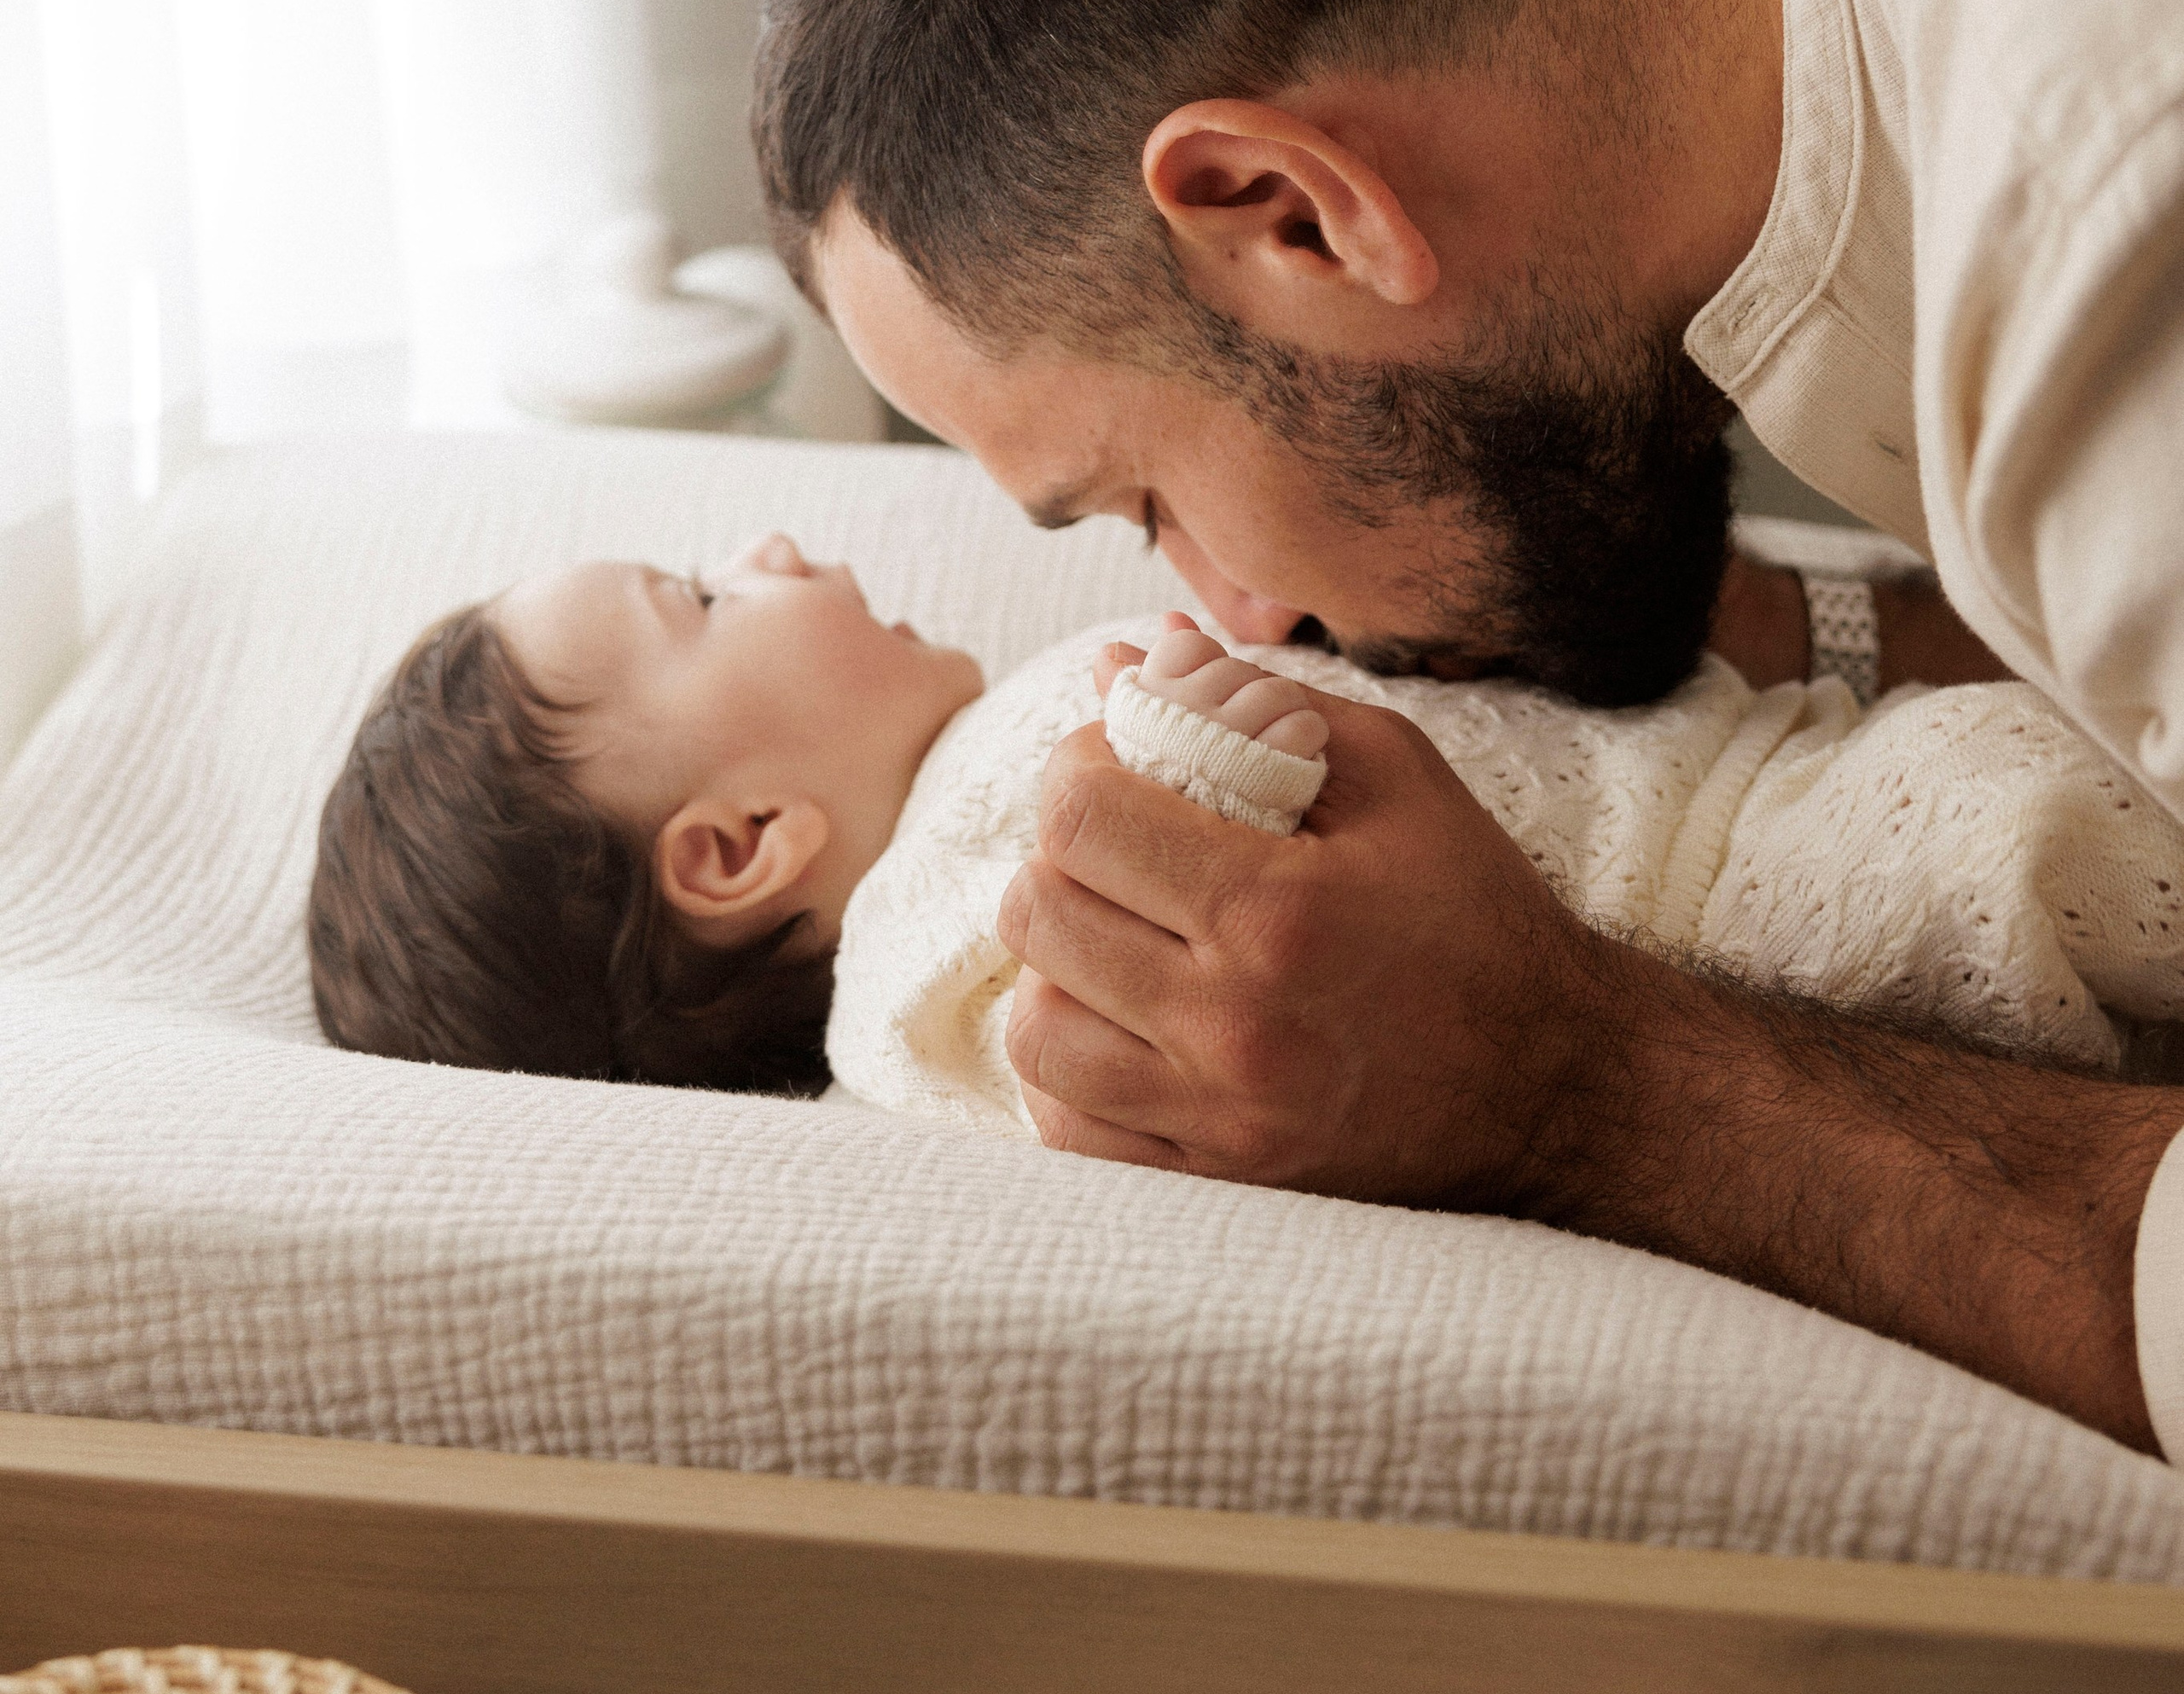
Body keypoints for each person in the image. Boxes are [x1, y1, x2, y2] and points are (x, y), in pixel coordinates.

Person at [750, 0, 2184, 1455]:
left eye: (1140, 495)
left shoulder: (2092, 206)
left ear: (1290, 210)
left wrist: (1573, 1081)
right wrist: (1791, 644)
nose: (1234, 613)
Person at [307, 539, 2184, 1131]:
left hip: (1772, 775)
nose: (778, 552)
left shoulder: (986, 745)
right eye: (709, 601)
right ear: (740, 848)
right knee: (2054, 838)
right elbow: (1117, 1016)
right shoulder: (905, 974)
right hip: (1776, 882)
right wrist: (1200, 754)